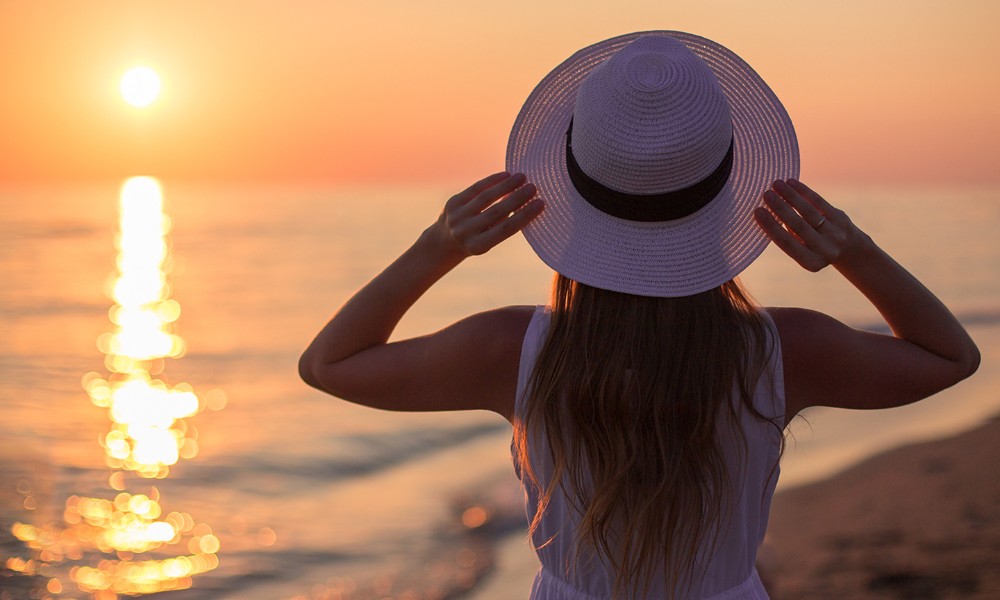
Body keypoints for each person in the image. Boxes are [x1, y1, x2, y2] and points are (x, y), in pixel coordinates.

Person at [299, 31, 979, 600]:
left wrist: (436, 247)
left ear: (569, 192)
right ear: (727, 192)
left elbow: (330, 364)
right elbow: (950, 357)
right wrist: (853, 251)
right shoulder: (782, 349)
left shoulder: (511, 349)